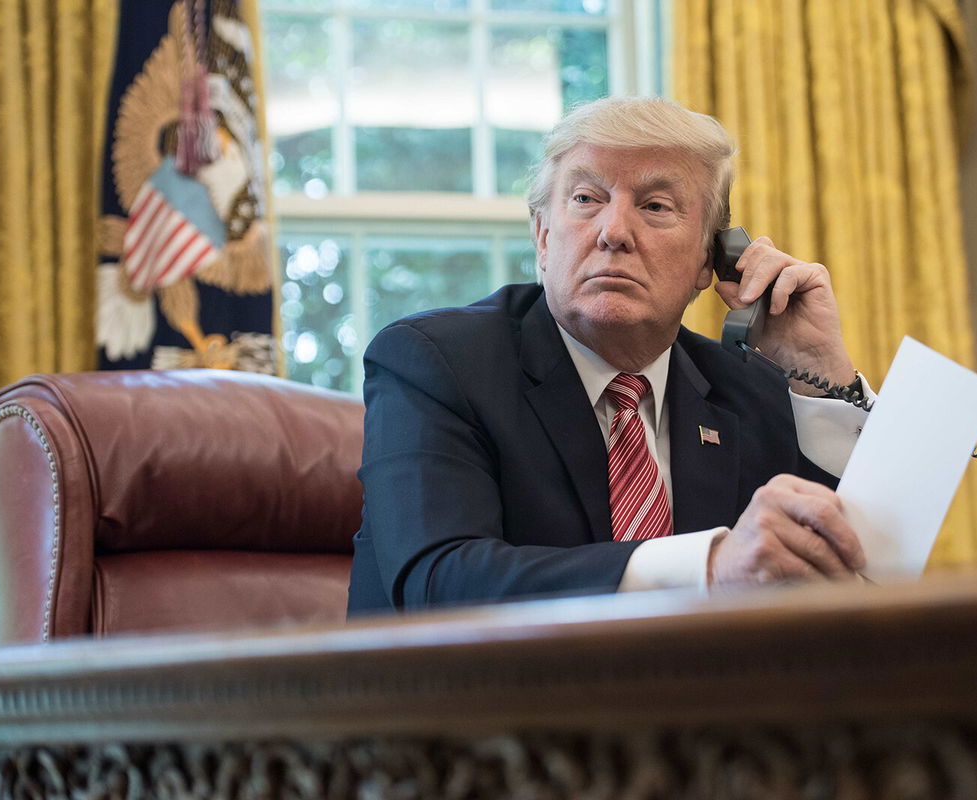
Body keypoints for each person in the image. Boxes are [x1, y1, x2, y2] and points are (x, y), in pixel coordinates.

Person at [347, 97, 872, 614]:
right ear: (543, 237)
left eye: (656, 207)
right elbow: (439, 583)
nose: (614, 232)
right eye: (584, 199)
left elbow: (860, 579)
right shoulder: (437, 364)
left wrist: (822, 378)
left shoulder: (748, 390)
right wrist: (706, 568)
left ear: (709, 262)